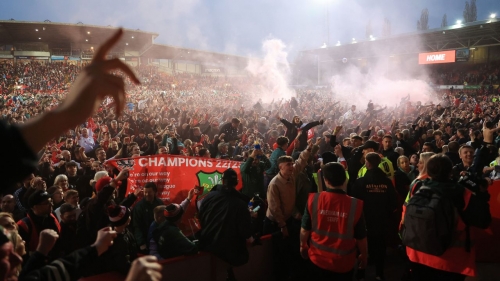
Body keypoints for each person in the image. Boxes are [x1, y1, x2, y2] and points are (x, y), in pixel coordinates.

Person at [402, 154, 491, 280]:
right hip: (449, 261)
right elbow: (484, 221)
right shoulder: (462, 193)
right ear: (450, 171)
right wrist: (482, 194)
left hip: (417, 254)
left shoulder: (417, 187)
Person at [300, 162, 368, 281]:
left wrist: (303, 245)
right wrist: (364, 255)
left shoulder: (314, 200)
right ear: (345, 179)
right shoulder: (355, 205)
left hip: (317, 259)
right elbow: (361, 236)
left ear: (326, 180)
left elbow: (305, 228)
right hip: (344, 263)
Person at [263, 140, 313, 281]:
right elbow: (274, 208)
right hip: (275, 223)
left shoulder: (292, 175)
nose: (292, 167)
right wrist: (283, 225)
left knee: (287, 252)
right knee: (276, 255)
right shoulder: (275, 184)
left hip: (287, 220)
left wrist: (308, 150)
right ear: (280, 167)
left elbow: (301, 162)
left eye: (291, 164)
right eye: (288, 165)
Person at [198, 168, 254, 281]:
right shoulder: (240, 204)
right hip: (229, 253)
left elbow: (201, 217)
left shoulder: (209, 197)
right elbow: (246, 232)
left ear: (222, 181)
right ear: (237, 183)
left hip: (206, 244)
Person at [352, 152, 398, 280]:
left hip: (364, 221)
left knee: (363, 248)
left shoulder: (361, 182)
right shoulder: (387, 182)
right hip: (382, 221)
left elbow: (354, 202)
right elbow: (393, 202)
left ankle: (361, 274)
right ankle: (379, 274)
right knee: (380, 248)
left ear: (368, 163)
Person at [17, 190, 61, 255]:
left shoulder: (52, 216)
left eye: (51, 201)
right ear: (35, 207)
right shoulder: (24, 225)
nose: (52, 204)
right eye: (47, 203)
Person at [132, 182, 164, 253]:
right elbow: (136, 226)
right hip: (145, 241)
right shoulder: (139, 207)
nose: (147, 194)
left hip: (159, 239)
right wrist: (141, 243)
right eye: (145, 192)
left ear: (155, 192)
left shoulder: (159, 203)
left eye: (149, 192)